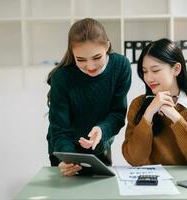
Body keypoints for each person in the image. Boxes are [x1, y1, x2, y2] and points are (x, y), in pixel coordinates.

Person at [47, 18, 131, 176]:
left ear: (107, 46)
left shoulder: (120, 66)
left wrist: (102, 130)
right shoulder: (62, 77)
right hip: (65, 151)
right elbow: (59, 130)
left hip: (100, 148)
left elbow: (118, 113)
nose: (90, 66)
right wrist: (68, 158)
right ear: (72, 53)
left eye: (97, 58)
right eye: (81, 60)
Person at [122, 38, 187, 168]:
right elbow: (134, 159)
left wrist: (176, 117)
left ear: (176, 69)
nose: (148, 78)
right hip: (150, 184)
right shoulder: (138, 104)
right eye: (145, 71)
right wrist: (148, 114)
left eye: (155, 70)